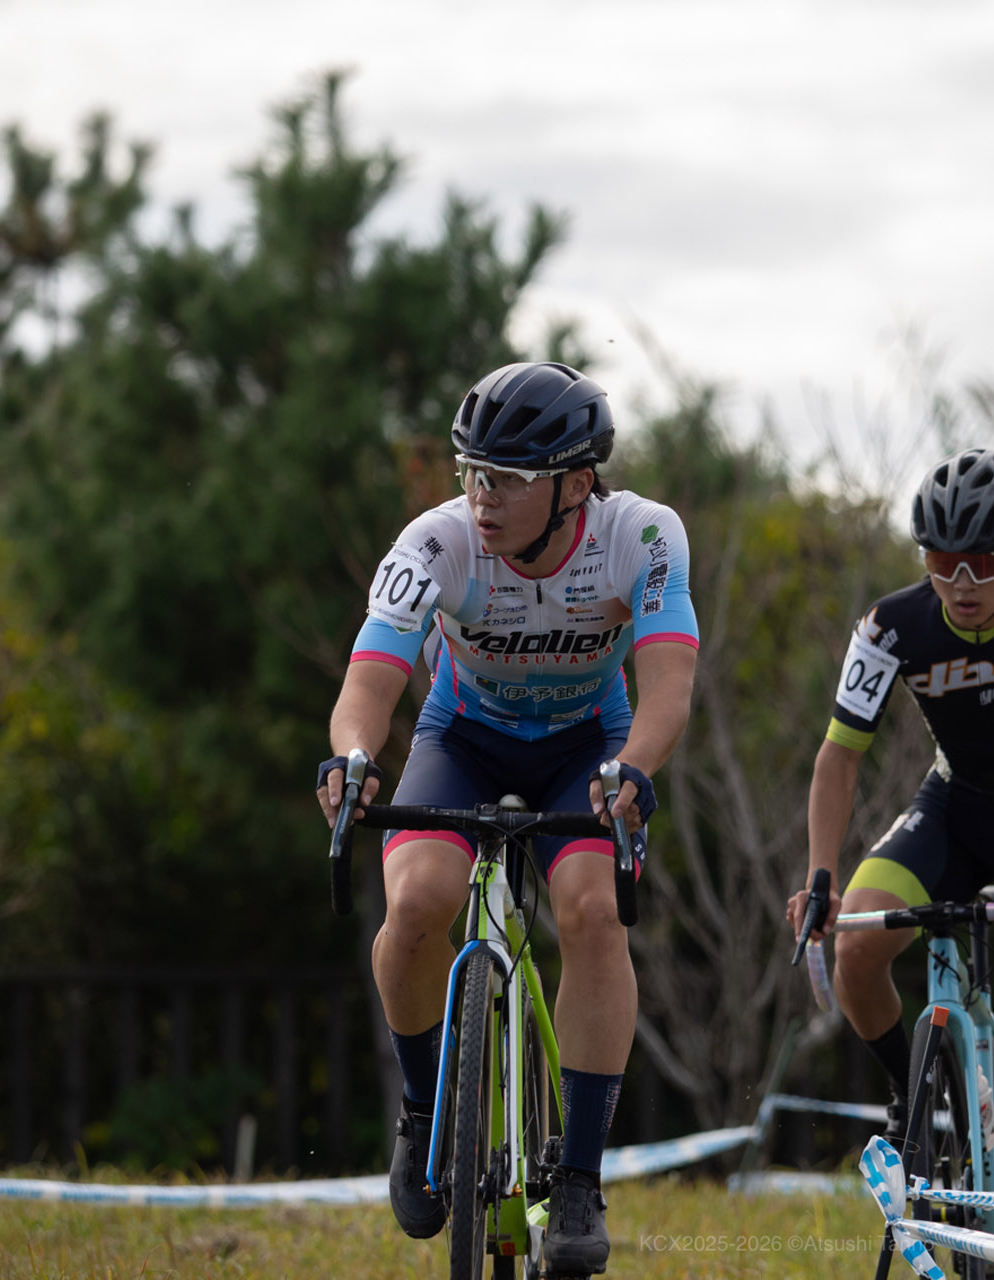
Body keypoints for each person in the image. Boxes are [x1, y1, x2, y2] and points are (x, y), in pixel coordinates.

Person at [317, 361, 697, 1275]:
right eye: (472, 472)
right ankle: (423, 1113)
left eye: (508, 478)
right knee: (416, 906)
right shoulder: (436, 541)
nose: (482, 496)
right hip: (465, 738)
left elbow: (667, 685)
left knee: (593, 912)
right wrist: (355, 758)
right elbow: (370, 679)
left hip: (587, 747)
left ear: (576, 485)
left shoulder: (641, 535)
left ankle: (578, 1177)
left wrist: (634, 770)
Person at [786, 447, 994, 1252]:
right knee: (857, 945)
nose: (962, 585)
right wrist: (821, 874)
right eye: (941, 563)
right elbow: (839, 757)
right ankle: (912, 1094)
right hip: (954, 809)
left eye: (982, 565)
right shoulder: (890, 626)